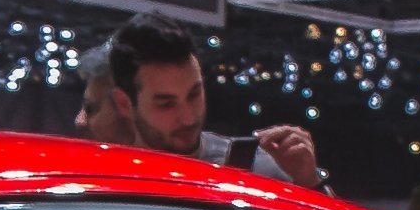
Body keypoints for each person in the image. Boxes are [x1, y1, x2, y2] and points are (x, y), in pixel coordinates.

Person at [97, 16, 319, 186]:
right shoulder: (104, 183)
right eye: (166, 103)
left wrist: (308, 180)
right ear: (125, 103)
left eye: (194, 94)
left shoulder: (259, 169)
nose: (188, 117)